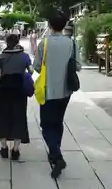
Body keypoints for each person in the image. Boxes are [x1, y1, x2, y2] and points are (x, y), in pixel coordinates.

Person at [33, 11, 81, 178]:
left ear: (50, 26)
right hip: (66, 90)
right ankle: (55, 151)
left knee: (46, 125)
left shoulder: (44, 43)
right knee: (58, 121)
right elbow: (78, 66)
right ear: (64, 26)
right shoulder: (72, 43)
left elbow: (37, 66)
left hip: (47, 89)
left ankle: (57, 155)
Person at [0, 34, 33, 160]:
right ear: (17, 42)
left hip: (4, 90)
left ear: (6, 43)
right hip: (19, 91)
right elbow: (31, 71)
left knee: (1, 117)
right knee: (19, 117)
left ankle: (4, 148)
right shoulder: (24, 56)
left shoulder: (2, 56)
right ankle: (16, 150)